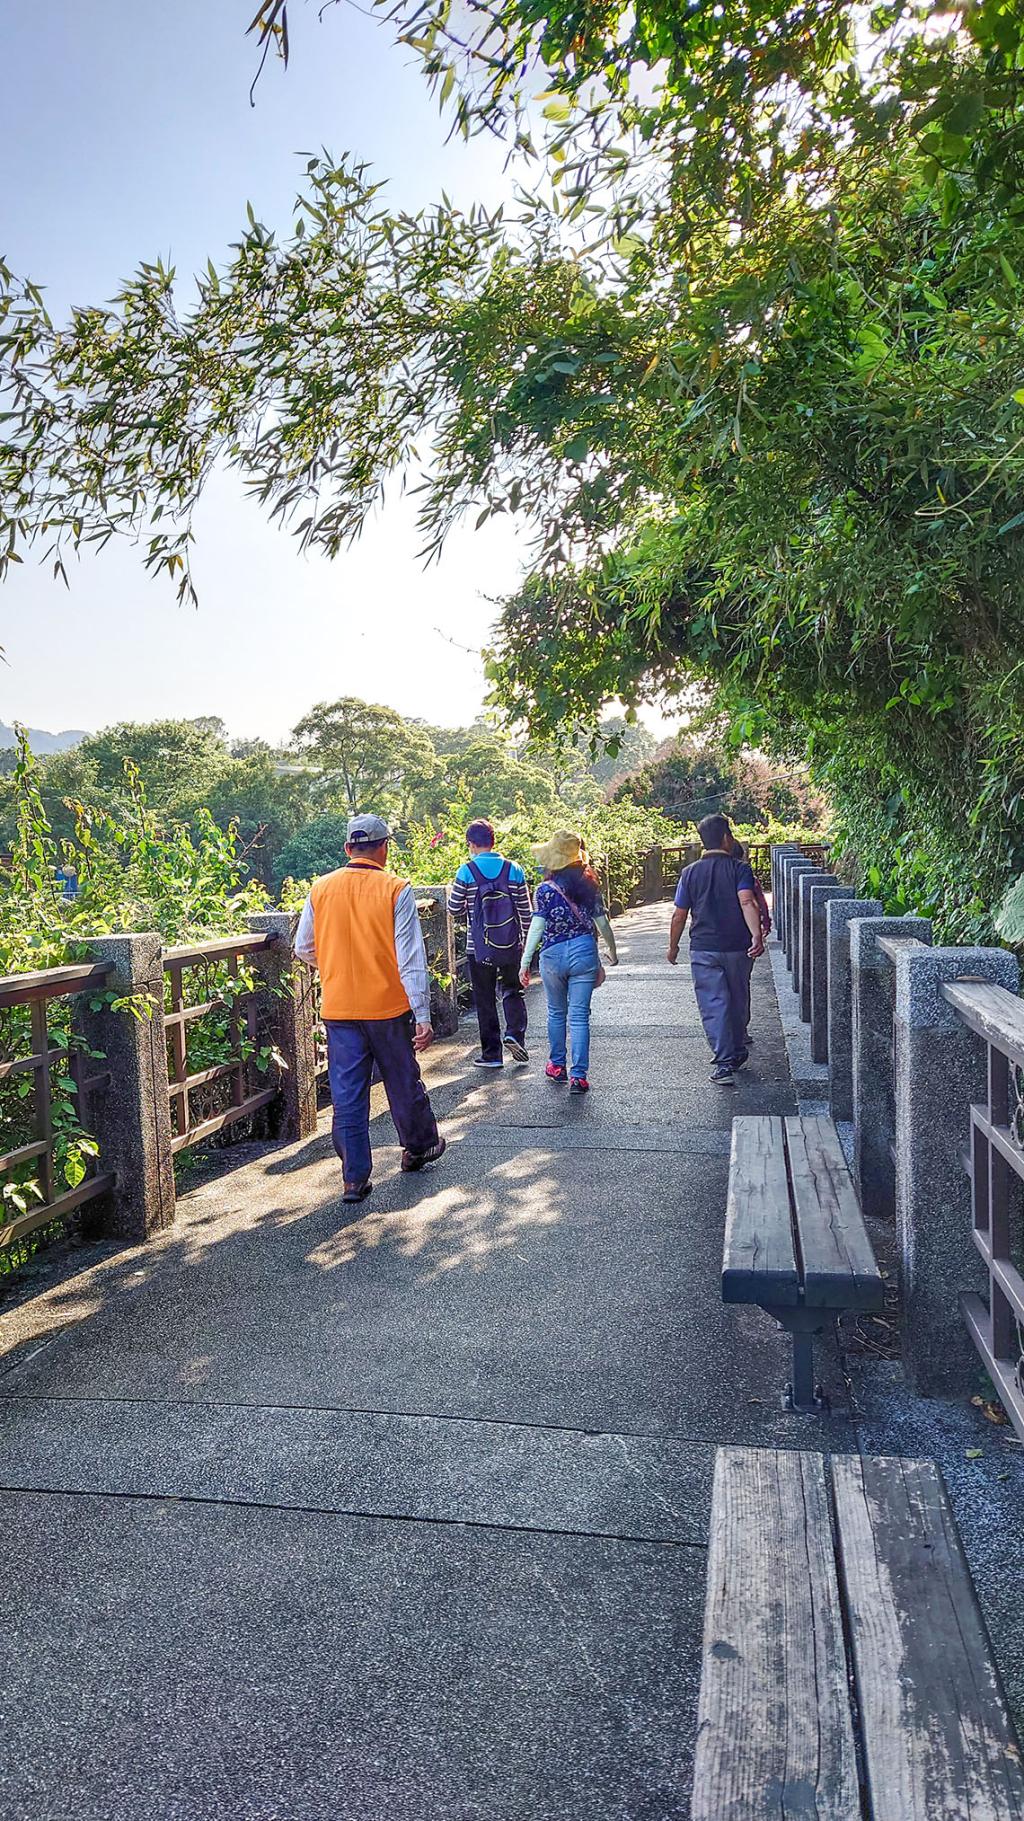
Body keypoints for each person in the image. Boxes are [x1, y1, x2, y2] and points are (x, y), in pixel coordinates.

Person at [294, 813, 445, 1203]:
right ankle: (419, 1146)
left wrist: (335, 967)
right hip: (387, 1007)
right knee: (402, 1080)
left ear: (348, 849)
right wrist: (423, 1014)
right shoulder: (396, 889)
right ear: (384, 849)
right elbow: (410, 958)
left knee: (347, 1095)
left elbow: (302, 947)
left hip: (339, 1008)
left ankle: (353, 1179)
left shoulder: (320, 889)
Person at [667, 813, 765, 1086]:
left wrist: (673, 946)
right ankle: (737, 1048)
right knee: (737, 997)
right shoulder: (740, 869)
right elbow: (747, 902)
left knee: (713, 1002)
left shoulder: (689, 873)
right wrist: (756, 935)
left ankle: (724, 1062)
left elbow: (679, 914)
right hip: (738, 947)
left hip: (704, 948)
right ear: (726, 838)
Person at [519, 830, 618, 1094]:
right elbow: (602, 923)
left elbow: (537, 928)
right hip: (584, 951)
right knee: (579, 1016)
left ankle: (557, 1065)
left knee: (556, 1012)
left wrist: (525, 962)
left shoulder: (544, 890)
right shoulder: (589, 885)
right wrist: (612, 951)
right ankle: (579, 1076)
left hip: (552, 954)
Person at [447, 819, 533, 1069]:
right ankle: (515, 1035)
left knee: (485, 999)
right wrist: (528, 948)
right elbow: (525, 912)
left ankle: (492, 1054)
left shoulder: (466, 871)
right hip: (511, 944)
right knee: (513, 991)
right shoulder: (513, 869)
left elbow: (453, 908)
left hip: (478, 947)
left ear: (471, 844)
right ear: (493, 841)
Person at [731, 840, 772, 1049]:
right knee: (741, 985)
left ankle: (725, 1032)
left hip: (712, 941)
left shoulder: (707, 875)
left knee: (719, 989)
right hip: (744, 939)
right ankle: (741, 1029)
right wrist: (763, 928)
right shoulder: (747, 877)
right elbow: (758, 904)